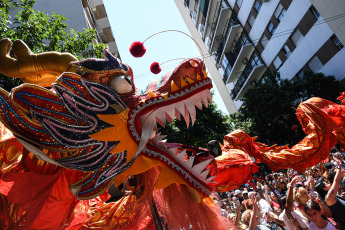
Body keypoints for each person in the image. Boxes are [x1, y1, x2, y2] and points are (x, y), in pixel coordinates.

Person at [325, 158, 345, 229]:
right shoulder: (329, 199)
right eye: (325, 183)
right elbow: (337, 181)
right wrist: (339, 167)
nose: (328, 182)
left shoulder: (335, 197)